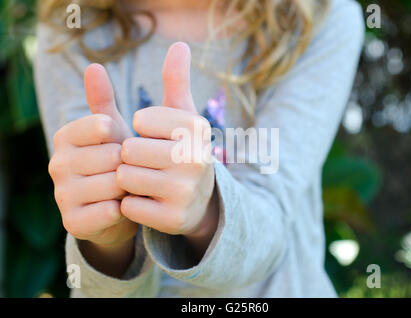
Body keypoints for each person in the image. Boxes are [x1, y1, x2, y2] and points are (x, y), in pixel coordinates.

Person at [34, 0, 364, 297]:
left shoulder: (318, 17)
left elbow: (271, 219)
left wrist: (206, 213)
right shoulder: (71, 26)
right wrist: (110, 235)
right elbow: (95, 246)